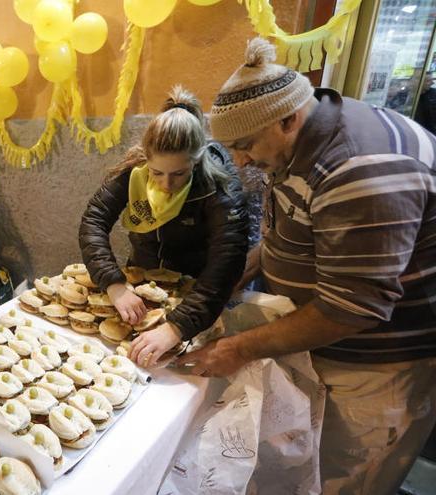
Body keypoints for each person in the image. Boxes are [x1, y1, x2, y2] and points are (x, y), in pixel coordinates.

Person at [178, 38, 436, 495]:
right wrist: (222, 283)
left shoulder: (358, 168)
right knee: (304, 472)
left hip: (377, 367)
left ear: (288, 118)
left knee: (347, 475)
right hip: (330, 350)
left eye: (244, 145)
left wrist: (239, 348)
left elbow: (351, 307)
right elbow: (289, 236)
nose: (239, 160)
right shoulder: (302, 138)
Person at [79, 86, 249, 367]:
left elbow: (226, 262)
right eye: (157, 173)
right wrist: (114, 283)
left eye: (179, 174)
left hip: (197, 294)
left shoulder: (219, 188)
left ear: (196, 162)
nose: (166, 184)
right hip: (142, 284)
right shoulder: (135, 172)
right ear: (146, 158)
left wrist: (177, 327)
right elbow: (93, 220)